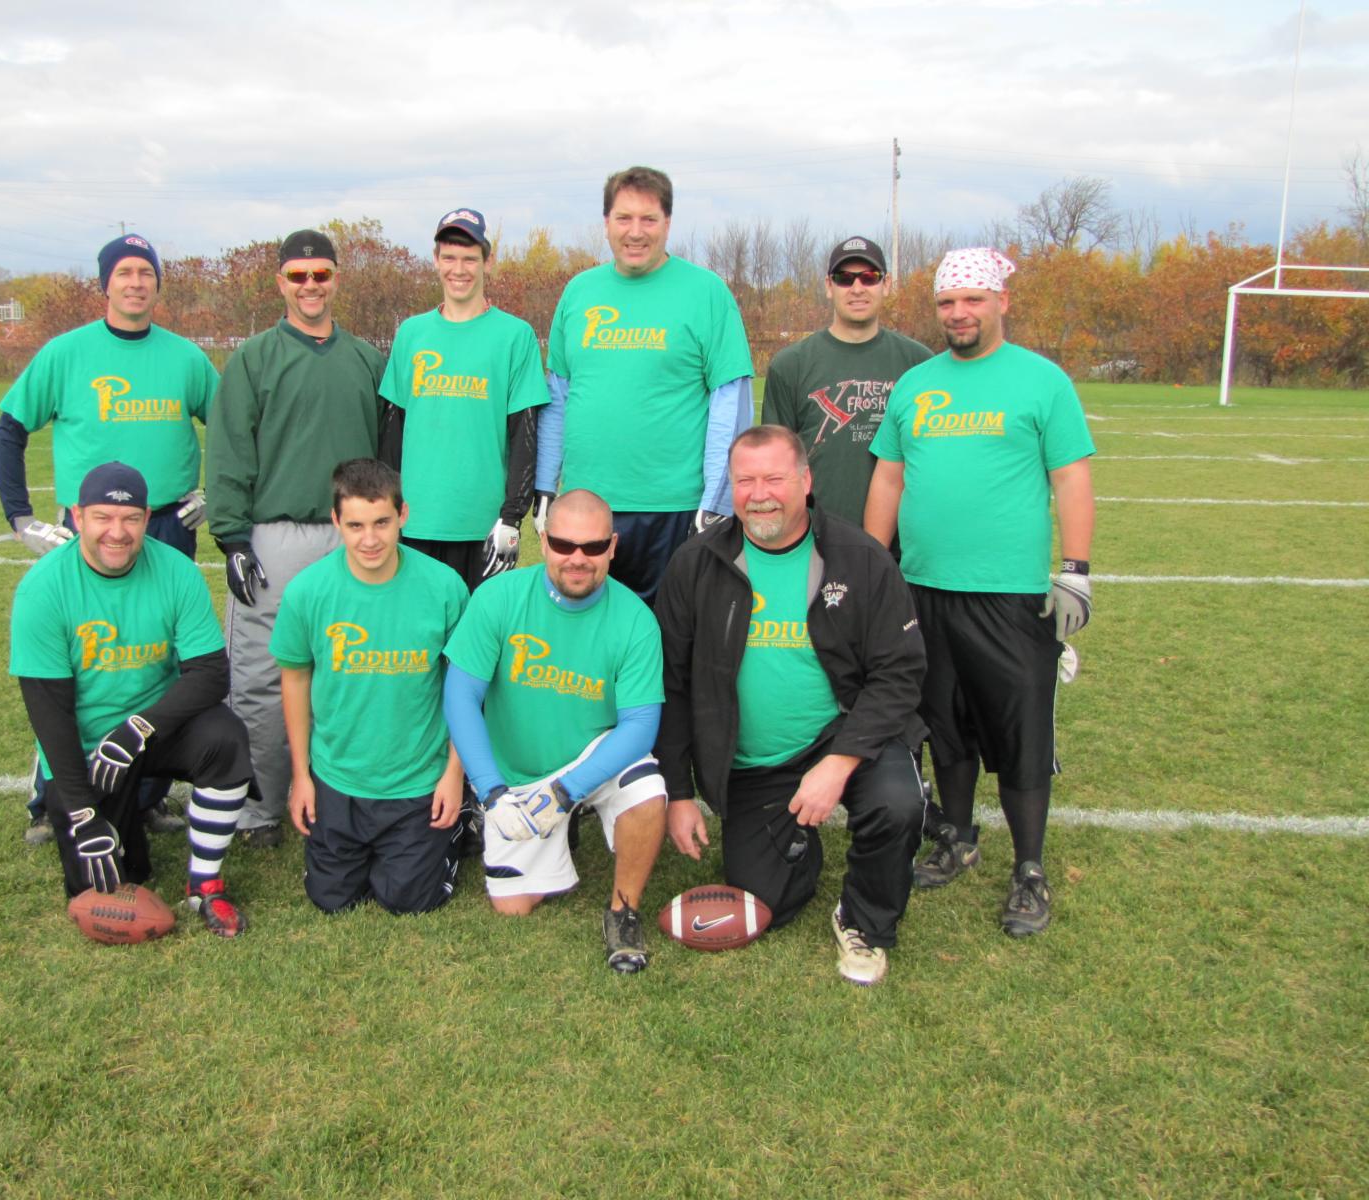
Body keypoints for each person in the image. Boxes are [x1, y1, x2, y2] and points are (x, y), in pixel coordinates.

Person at [864, 248, 1096, 938]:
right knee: (944, 721)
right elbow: (888, 479)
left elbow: (1071, 477)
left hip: (1010, 595)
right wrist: (875, 568)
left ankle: (1029, 868)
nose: (959, 313)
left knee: (1020, 730)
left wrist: (1076, 568)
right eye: (947, 302)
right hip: (923, 588)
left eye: (972, 300)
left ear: (1001, 302)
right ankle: (958, 837)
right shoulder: (916, 385)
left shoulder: (1042, 381)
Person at [655, 425, 928, 985]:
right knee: (763, 901)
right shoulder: (695, 563)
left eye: (774, 479)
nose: (760, 495)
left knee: (897, 803)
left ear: (806, 481)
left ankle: (864, 922)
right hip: (757, 762)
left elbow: (899, 673)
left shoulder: (860, 558)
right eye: (745, 481)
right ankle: (797, 842)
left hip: (840, 734)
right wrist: (679, 794)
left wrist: (840, 761)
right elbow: (673, 685)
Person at [0, 233, 217, 844]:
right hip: (90, 530)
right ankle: (53, 798)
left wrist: (215, 492)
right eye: (125, 272)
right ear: (105, 284)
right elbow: (9, 430)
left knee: (160, 663)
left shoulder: (186, 358)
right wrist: (19, 517)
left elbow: (231, 425)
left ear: (158, 284)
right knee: (76, 668)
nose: (136, 282)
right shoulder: (66, 354)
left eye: (146, 272)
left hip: (166, 526)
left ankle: (145, 796)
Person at [8, 461, 250, 937]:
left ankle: (205, 884)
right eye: (102, 517)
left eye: (130, 518)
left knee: (224, 737)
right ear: (77, 516)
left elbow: (210, 674)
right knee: (109, 883)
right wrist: (82, 812)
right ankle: (115, 817)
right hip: (87, 749)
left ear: (146, 518)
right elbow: (49, 715)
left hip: (151, 730)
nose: (117, 532)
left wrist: (139, 728)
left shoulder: (176, 570)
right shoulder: (43, 589)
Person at [205, 229, 388, 847]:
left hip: (353, 535)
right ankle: (256, 808)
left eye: (321, 274)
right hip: (275, 537)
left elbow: (388, 455)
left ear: (337, 278)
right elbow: (229, 449)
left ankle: (341, 798)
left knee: (353, 672)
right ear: (280, 282)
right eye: (298, 275)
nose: (311, 285)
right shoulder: (254, 358)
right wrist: (233, 537)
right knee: (261, 678)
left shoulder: (366, 360)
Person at [442, 490, 667, 973]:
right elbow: (461, 697)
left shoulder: (636, 619)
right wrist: (491, 791)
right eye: (564, 544)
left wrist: (566, 792)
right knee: (513, 907)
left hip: (593, 760)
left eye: (593, 546)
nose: (577, 558)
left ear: (613, 546)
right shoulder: (498, 598)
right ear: (542, 541)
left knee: (646, 790)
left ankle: (623, 910)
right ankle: (554, 831)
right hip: (518, 774)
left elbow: (641, 725)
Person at [535, 166, 755, 604]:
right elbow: (557, 397)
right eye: (624, 218)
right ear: (606, 222)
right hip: (587, 510)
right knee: (587, 630)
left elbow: (731, 402)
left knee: (669, 633)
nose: (635, 232)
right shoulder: (579, 292)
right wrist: (545, 488)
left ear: (668, 223)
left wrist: (715, 501)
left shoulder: (706, 293)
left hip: (673, 509)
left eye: (649, 219)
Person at [271, 459, 469, 914]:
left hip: (417, 779)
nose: (370, 539)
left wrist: (454, 775)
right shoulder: (308, 591)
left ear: (403, 515)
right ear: (335, 520)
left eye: (382, 522)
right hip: (339, 778)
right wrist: (302, 776)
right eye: (356, 525)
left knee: (410, 901)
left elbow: (465, 686)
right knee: (331, 899)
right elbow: (295, 678)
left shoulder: (444, 587)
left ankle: (454, 830)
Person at [379, 208, 550, 591]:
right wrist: (386, 507)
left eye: (470, 259)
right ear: (436, 259)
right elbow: (392, 432)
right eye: (450, 257)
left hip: (483, 526)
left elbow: (524, 435)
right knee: (421, 626)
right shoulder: (412, 334)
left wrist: (511, 516)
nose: (459, 269)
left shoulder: (515, 336)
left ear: (487, 261)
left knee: (480, 627)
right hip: (416, 521)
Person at [761, 236, 931, 526]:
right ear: (829, 286)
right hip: (817, 534)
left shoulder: (918, 363)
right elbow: (776, 464)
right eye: (844, 278)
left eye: (869, 277)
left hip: (901, 539)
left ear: (886, 284)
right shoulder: (791, 365)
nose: (857, 288)